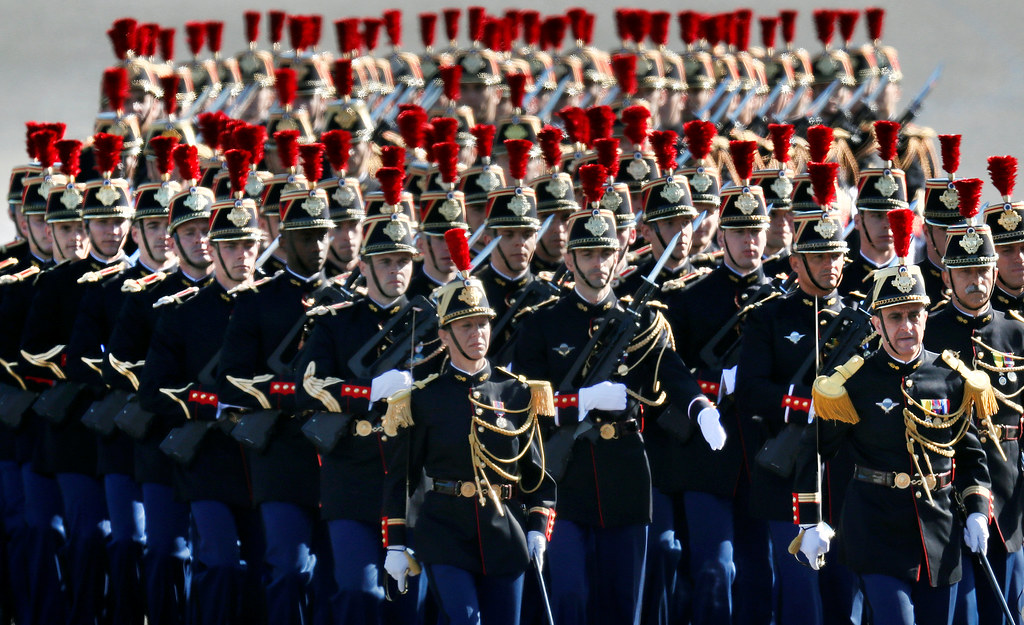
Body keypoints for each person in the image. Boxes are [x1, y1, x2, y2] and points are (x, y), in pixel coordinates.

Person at [512, 164, 725, 625]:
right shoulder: (543, 323)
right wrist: (582, 402)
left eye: (605, 253)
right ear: (569, 261)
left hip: (627, 471)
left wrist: (701, 408)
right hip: (562, 478)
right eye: (586, 254)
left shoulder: (641, 321)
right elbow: (522, 398)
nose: (597, 263)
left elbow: (672, 371)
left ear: (620, 253)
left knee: (623, 600)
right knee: (569, 595)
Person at [795, 208, 993, 625]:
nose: (907, 326)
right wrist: (810, 521)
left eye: (914, 315)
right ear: (877, 323)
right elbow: (814, 450)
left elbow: (971, 452)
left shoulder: (952, 375)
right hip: (875, 529)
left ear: (926, 315)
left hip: (939, 531)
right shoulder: (852, 382)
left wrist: (977, 508)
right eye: (895, 316)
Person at [380, 228, 556, 625]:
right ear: (444, 335)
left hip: (504, 532)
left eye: (482, 324)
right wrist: (395, 541)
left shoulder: (516, 393)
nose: (477, 335)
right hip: (444, 530)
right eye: (465, 327)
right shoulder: (423, 397)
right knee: (464, 619)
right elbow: (403, 477)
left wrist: (536, 527)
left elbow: (537, 475)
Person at [294, 170, 439, 623]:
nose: (396, 271)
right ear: (365, 266)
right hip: (353, 476)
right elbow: (308, 384)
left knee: (408, 604)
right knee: (359, 596)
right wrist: (369, 393)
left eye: (403, 261)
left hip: (413, 478)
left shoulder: (432, 323)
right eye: (386, 261)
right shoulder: (337, 322)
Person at [735, 162, 859, 625]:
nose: (831, 267)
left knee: (843, 598)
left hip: (844, 477)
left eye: (836, 257)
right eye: (820, 258)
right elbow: (750, 391)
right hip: (786, 476)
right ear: (796, 263)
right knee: (800, 599)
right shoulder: (769, 318)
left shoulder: (860, 322)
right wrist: (804, 404)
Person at [217, 148, 337, 625]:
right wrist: (302, 392)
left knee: (334, 580)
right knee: (287, 571)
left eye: (324, 235)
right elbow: (233, 381)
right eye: (307, 237)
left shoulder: (346, 298)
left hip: (338, 458)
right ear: (284, 241)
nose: (319, 246)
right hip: (282, 456)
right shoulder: (256, 302)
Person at [138, 191, 266, 625]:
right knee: (219, 562)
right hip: (208, 458)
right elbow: (153, 391)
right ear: (213, 251)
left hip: (265, 457)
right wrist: (213, 403)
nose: (244, 255)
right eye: (232, 246)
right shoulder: (182, 313)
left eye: (250, 244)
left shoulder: (280, 306)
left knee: (264, 570)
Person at [664, 142, 772, 625]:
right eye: (740, 232)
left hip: (764, 455)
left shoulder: (781, 301)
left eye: (758, 231)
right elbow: (671, 367)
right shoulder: (692, 300)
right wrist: (712, 386)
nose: (750, 242)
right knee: (714, 569)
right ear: (721, 236)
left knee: (761, 573)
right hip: (705, 454)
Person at [105, 175, 216, 625]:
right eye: (190, 231)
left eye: (209, 228)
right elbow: (123, 362)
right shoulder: (148, 296)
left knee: (226, 559)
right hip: (162, 439)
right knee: (168, 551)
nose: (203, 241)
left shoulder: (243, 300)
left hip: (224, 444)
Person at [924, 186, 1024, 624]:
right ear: (946, 277)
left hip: (1006, 485)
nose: (977, 280)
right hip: (948, 489)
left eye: (983, 269)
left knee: (1008, 607)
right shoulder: (928, 333)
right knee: (960, 613)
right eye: (965, 272)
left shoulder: (1015, 332)